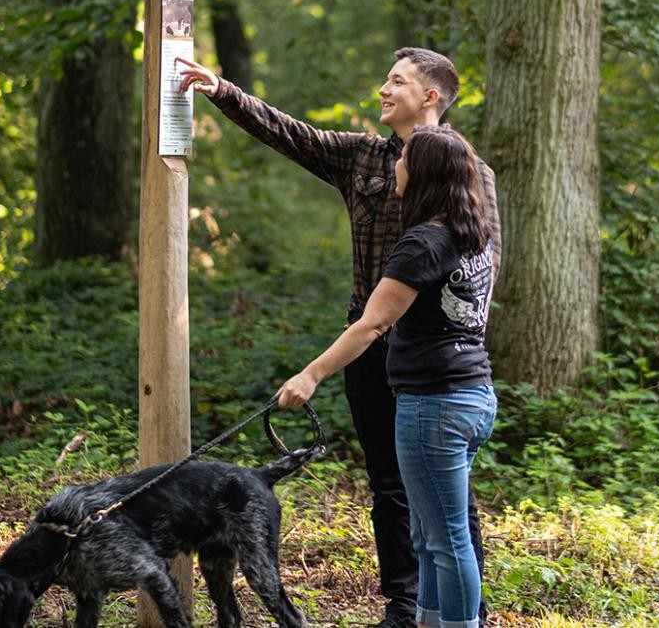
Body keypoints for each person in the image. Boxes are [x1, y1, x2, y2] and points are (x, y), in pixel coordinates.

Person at [176, 47, 499, 628]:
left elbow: (484, 265)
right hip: (368, 347)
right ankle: (406, 606)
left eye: (396, 81)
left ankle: (465, 610)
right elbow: (290, 134)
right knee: (391, 484)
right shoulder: (362, 156)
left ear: (430, 97)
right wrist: (223, 91)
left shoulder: (466, 169)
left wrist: (457, 343)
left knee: (449, 498)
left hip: (433, 353)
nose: (383, 90)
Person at [276, 125, 496, 628]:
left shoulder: (422, 242)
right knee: (428, 533)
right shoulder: (473, 233)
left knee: (446, 538)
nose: (395, 165)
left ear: (421, 174)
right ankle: (428, 620)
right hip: (473, 396)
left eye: (404, 160)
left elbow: (371, 325)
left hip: (435, 404)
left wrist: (310, 375)